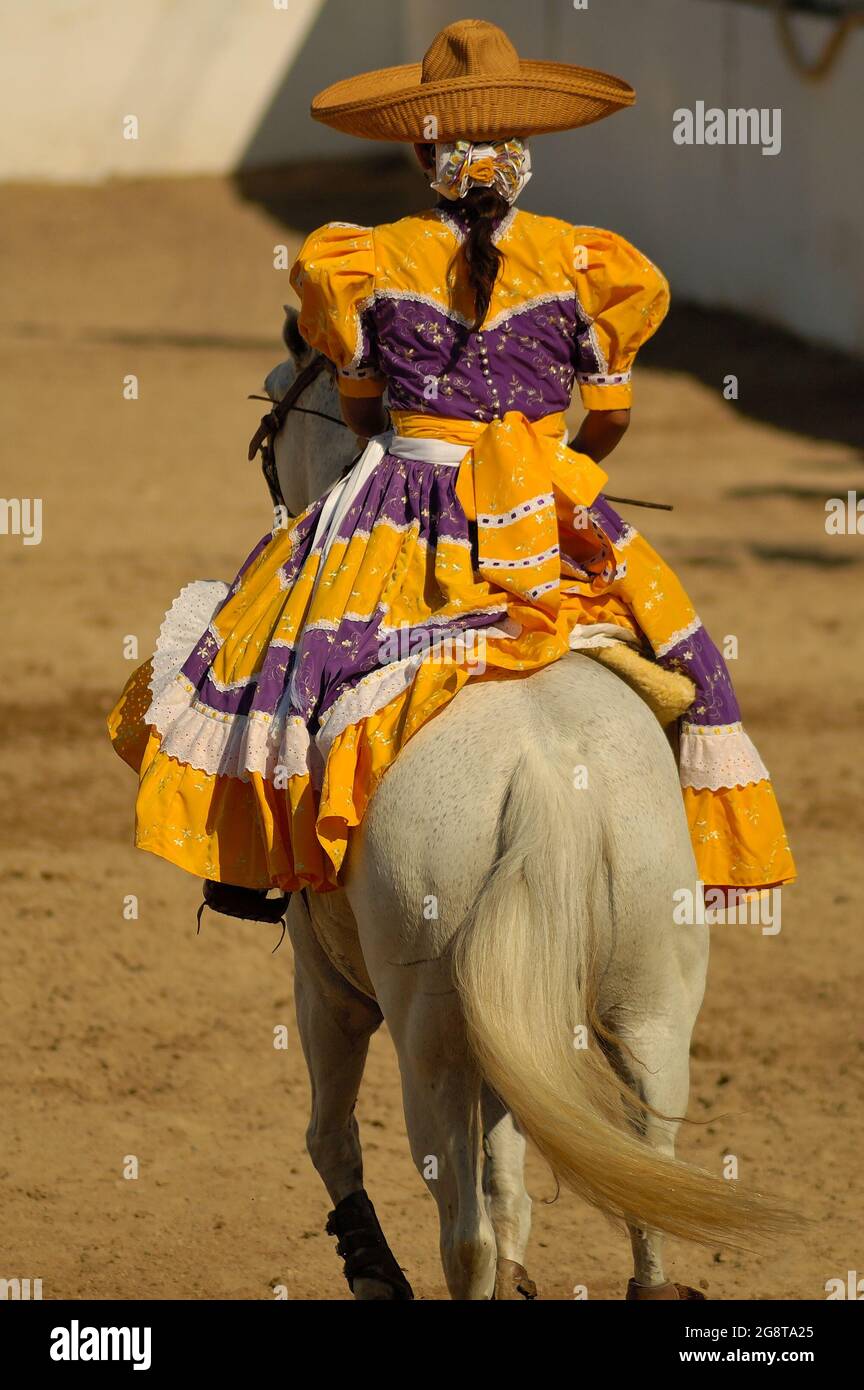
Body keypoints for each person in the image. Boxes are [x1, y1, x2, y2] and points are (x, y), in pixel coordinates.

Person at [108, 19, 795, 920]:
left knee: (271, 642)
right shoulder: (587, 262)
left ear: (422, 146)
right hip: (543, 510)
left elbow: (360, 416)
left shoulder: (366, 259)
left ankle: (254, 870)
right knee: (677, 652)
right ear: (525, 145)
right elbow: (613, 417)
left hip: (404, 502)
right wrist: (556, 472)